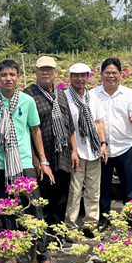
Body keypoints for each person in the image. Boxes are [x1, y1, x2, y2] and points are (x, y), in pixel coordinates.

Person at [0, 59, 64, 263]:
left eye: (12, 74)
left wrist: (43, 161)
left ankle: (42, 254)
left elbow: (35, 131)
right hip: (0, 164)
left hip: (25, 163)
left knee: (34, 209)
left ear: (18, 77)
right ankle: (12, 253)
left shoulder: (27, 101)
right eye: (3, 75)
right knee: (7, 210)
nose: (8, 78)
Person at [23, 56, 78, 229]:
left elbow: (69, 125)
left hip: (62, 154)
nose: (45, 73)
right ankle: (44, 237)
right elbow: (26, 130)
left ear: (55, 73)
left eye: (49, 69)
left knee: (61, 196)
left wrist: (74, 151)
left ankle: (58, 232)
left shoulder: (61, 94)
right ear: (36, 72)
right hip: (43, 155)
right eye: (41, 69)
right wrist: (36, 158)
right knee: (43, 197)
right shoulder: (28, 95)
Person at [93, 58, 132, 228]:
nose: (111, 76)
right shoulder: (93, 94)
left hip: (125, 147)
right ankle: (103, 218)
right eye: (107, 72)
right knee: (103, 185)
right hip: (101, 148)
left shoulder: (129, 94)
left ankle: (131, 217)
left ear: (120, 75)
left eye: (114, 73)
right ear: (101, 74)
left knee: (129, 184)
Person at [64, 63, 108, 237]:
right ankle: (71, 227)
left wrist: (103, 143)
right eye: (76, 75)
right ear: (70, 77)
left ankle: (90, 223)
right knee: (74, 191)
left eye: (83, 75)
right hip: (76, 152)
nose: (80, 79)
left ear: (88, 77)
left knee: (93, 188)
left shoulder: (92, 96)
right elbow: (67, 127)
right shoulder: (65, 97)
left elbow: (98, 122)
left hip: (93, 149)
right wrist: (73, 151)